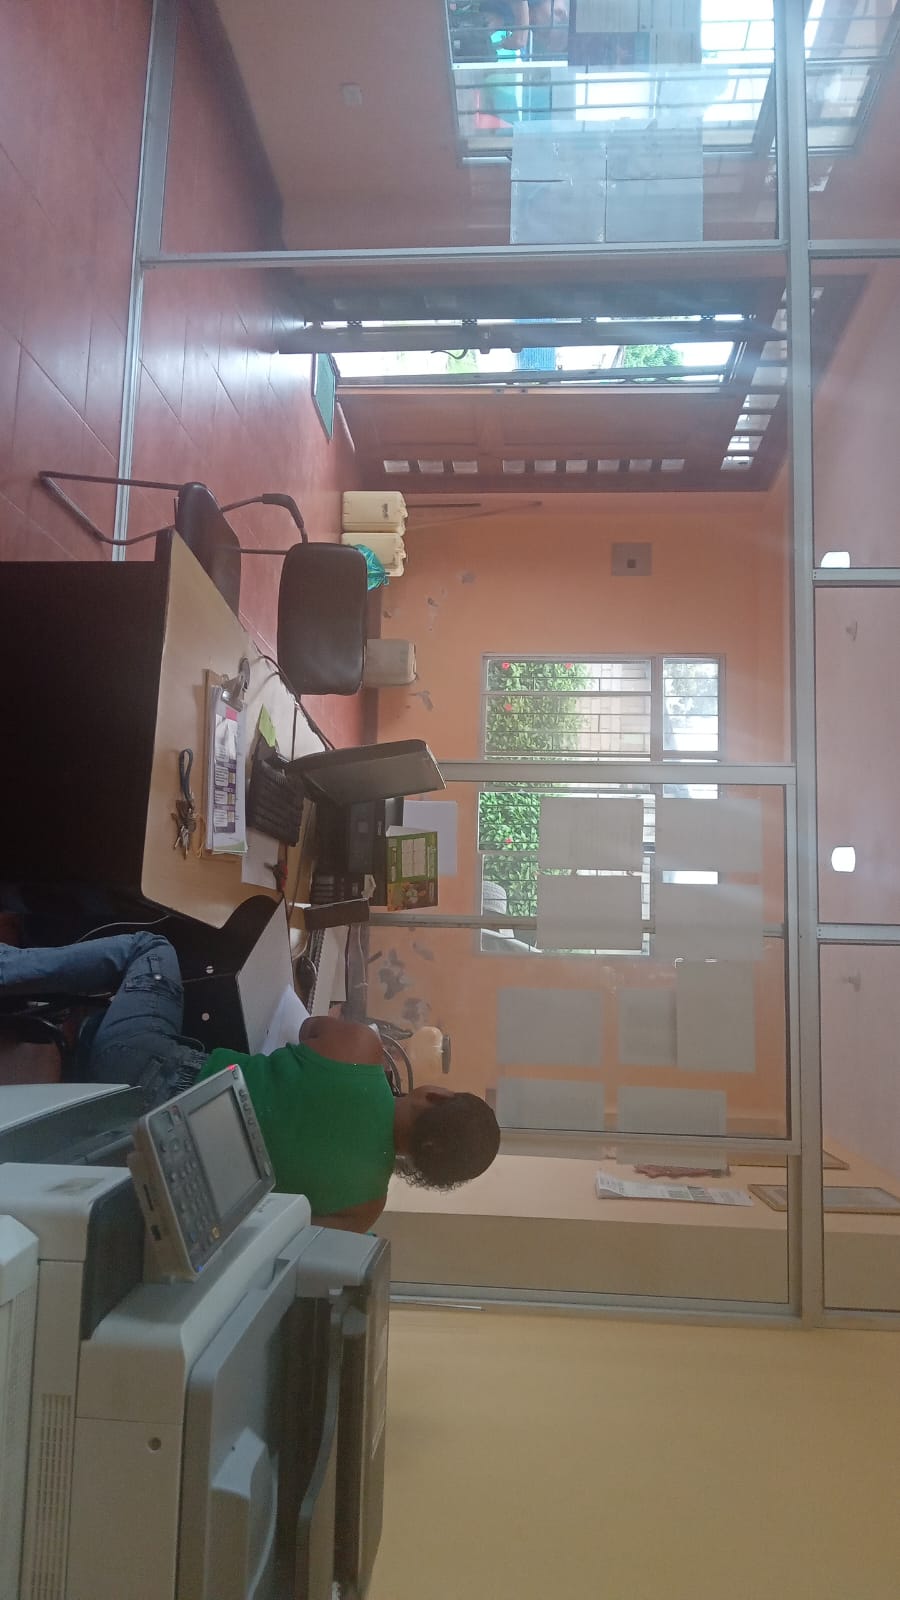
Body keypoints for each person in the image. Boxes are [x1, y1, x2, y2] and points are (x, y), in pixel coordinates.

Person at [0, 930, 500, 1233]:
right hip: (123, 1161)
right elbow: (264, 1228)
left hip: (139, 1068)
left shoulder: (361, 1052)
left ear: (437, 1095)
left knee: (152, 948)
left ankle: (9, 966)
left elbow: (307, 1027)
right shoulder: (364, 1210)